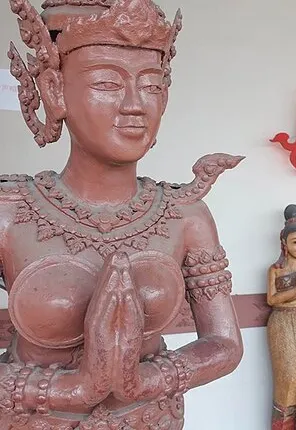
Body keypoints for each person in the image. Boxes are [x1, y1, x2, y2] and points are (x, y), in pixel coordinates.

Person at [0, 0, 243, 427]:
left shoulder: (185, 216)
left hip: (151, 418)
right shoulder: (10, 213)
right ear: (55, 91)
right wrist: (69, 389)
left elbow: (224, 342)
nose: (135, 105)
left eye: (151, 85)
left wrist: (144, 381)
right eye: (107, 83)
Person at [266, 204, 296, 430]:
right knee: (286, 376)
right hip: (281, 323)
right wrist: (295, 290)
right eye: (295, 242)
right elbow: (272, 300)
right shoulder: (275, 270)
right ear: (284, 242)